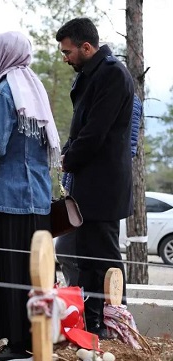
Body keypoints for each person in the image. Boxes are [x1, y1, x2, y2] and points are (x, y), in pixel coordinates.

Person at [0, 31, 60, 361]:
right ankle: (35, 341)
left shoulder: (3, 92)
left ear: (0, 57)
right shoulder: (32, 88)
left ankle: (17, 346)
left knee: (8, 273)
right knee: (31, 272)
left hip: (5, 199)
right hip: (36, 200)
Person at [56, 18, 134, 338]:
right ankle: (93, 324)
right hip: (88, 185)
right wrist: (66, 152)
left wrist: (68, 159)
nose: (65, 58)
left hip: (103, 186)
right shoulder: (91, 75)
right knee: (87, 258)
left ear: (87, 47)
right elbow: (80, 128)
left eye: (68, 51)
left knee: (104, 258)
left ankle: (115, 322)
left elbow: (95, 132)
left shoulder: (113, 74)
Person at [56, 94, 142, 287]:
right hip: (74, 189)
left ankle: (115, 308)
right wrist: (66, 154)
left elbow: (125, 148)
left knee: (104, 256)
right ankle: (78, 304)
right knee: (66, 249)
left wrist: (77, 157)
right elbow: (76, 136)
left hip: (101, 193)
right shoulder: (89, 93)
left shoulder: (125, 97)